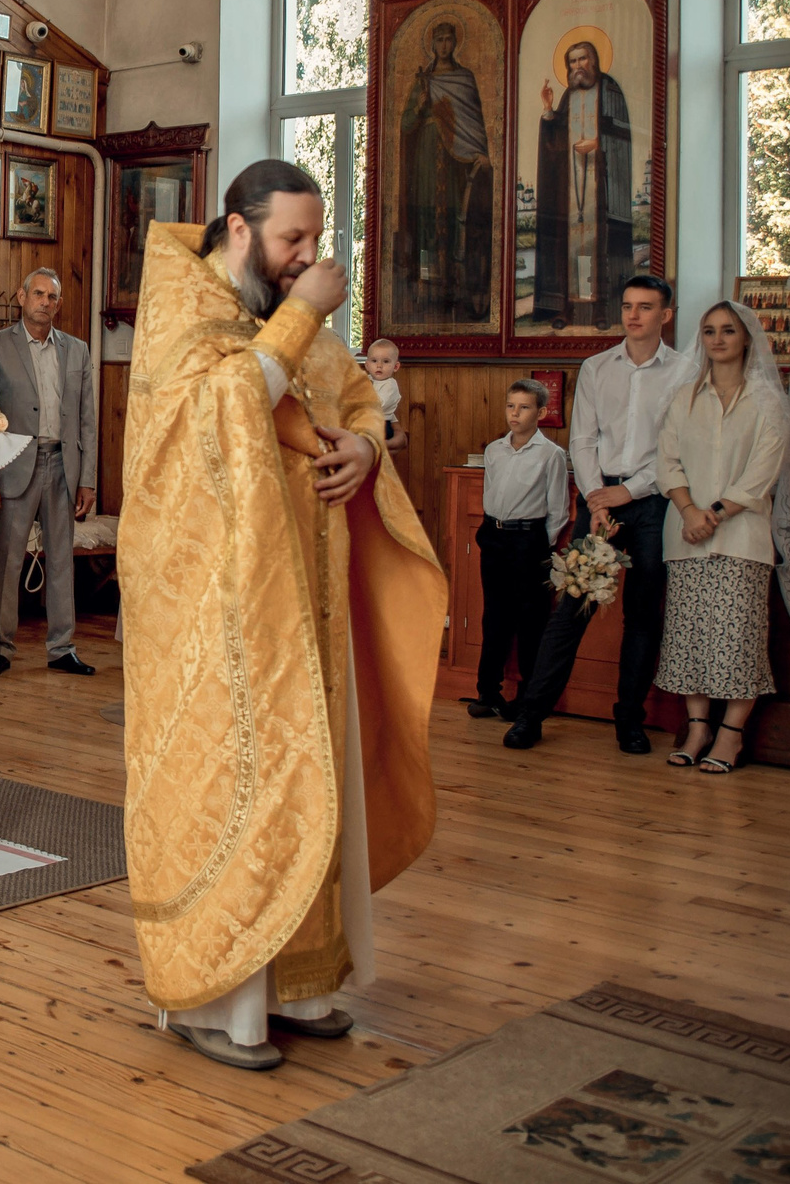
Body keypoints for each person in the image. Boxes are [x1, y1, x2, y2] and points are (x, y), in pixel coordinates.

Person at [121, 159, 446, 1071]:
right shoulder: (184, 305)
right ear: (240, 228)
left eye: (315, 237)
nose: (307, 255)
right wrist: (304, 313)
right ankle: (214, 1000)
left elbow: (354, 399)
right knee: (233, 785)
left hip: (304, 593)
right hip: (214, 612)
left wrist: (365, 448)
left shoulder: (282, 304)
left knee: (309, 779)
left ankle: (298, 985)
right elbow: (220, 415)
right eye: (290, 238)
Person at [505, 274, 695, 754]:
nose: (633, 315)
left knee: (642, 615)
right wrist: (596, 498)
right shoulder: (596, 367)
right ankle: (530, 716)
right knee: (571, 609)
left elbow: (676, 448)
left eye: (645, 307)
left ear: (665, 315)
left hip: (654, 502)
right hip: (598, 500)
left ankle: (629, 721)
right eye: (628, 305)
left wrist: (627, 492)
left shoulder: (685, 372)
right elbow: (584, 439)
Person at [657, 301, 788, 773]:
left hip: (741, 537)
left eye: (728, 330)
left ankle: (731, 735)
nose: (718, 339)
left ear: (747, 337)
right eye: (709, 331)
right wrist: (689, 512)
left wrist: (711, 515)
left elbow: (761, 473)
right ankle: (698, 728)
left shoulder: (767, 401)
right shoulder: (685, 397)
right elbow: (666, 460)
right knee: (690, 636)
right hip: (685, 533)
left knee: (738, 637)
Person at [0, 268, 98, 677]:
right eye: (38, 294)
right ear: (21, 297)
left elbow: (87, 420)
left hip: (63, 464)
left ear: (58, 304)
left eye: (52, 297)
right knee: (7, 561)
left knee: (62, 560)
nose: (45, 302)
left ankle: (62, 647)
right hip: (14, 463)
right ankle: (0, 646)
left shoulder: (77, 351)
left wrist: (87, 479)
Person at [471, 378, 569, 720]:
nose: (515, 413)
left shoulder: (551, 454)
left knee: (531, 620)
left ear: (540, 413)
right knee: (494, 616)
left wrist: (541, 546)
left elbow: (558, 509)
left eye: (524, 407)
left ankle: (529, 698)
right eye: (511, 406)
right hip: (494, 536)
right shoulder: (494, 450)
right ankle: (488, 692)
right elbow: (490, 490)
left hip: (529, 541)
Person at [530, 30, 636, 328]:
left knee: (598, 248)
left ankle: (601, 310)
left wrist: (599, 143)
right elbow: (555, 141)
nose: (578, 66)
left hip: (600, 187)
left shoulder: (610, 89)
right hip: (571, 188)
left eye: (583, 59)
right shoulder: (569, 96)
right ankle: (568, 310)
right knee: (569, 249)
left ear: (594, 61)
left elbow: (624, 130)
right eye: (573, 61)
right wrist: (548, 111)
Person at [395, 17, 493, 323]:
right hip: (426, 156)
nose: (444, 45)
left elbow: (473, 121)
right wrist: (420, 106)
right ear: (432, 45)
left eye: (449, 39)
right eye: (439, 40)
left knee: (453, 219)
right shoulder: (423, 81)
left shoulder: (464, 78)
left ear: (455, 42)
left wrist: (477, 151)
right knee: (426, 220)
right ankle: (427, 286)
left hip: (455, 160)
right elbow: (406, 125)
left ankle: (454, 287)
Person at [363, 338, 408, 455]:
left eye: (386, 361)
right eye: (374, 361)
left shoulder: (389, 385)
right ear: (367, 365)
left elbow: (379, 405)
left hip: (381, 425)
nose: (379, 365)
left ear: (396, 367)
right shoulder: (367, 380)